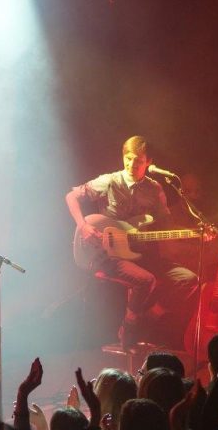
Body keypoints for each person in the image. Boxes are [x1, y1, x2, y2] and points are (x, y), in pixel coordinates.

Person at [66, 136, 198, 350]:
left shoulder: (155, 189)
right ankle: (129, 325)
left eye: (138, 160)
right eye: (128, 159)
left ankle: (148, 314)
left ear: (148, 162)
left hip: (138, 252)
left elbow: (165, 226)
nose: (131, 165)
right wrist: (83, 226)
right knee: (145, 280)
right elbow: (71, 197)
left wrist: (194, 234)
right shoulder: (110, 181)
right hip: (105, 253)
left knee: (189, 279)